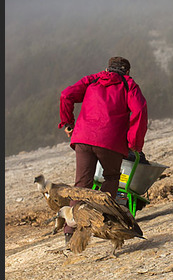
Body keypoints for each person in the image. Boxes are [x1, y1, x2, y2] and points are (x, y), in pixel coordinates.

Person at [58, 56, 148, 243]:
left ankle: (70, 230)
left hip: (82, 138)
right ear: (127, 71)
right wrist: (134, 143)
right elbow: (139, 110)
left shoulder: (93, 79)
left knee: (82, 183)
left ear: (108, 68)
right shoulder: (128, 85)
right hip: (110, 142)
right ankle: (101, 218)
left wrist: (67, 122)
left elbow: (66, 95)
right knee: (112, 177)